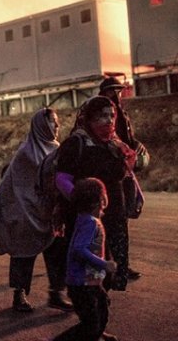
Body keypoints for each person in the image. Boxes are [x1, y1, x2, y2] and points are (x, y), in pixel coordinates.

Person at [0, 108, 73, 312]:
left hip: (49, 214)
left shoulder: (57, 150)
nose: (57, 126)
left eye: (57, 122)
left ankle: (56, 293)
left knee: (56, 251)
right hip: (26, 213)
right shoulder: (26, 153)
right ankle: (20, 294)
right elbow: (15, 186)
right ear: (41, 125)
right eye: (52, 122)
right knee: (23, 254)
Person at [56, 96, 135, 291]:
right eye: (102, 116)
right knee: (91, 276)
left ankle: (99, 310)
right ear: (89, 118)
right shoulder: (76, 144)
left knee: (110, 273)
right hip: (89, 221)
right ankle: (93, 316)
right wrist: (82, 201)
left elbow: (125, 175)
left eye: (111, 115)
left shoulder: (115, 145)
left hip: (115, 216)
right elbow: (62, 178)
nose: (109, 120)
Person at [51, 178, 118, 341]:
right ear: (100, 201)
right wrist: (104, 264)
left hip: (90, 281)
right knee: (90, 323)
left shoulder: (85, 219)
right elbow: (79, 249)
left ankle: (98, 333)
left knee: (102, 307)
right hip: (82, 283)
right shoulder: (90, 223)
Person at [98, 76, 148, 280]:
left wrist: (136, 146)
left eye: (118, 90)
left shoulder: (120, 113)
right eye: (113, 90)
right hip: (107, 174)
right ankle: (113, 265)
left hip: (123, 172)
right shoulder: (100, 114)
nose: (117, 94)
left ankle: (120, 264)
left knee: (121, 220)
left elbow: (127, 139)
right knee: (109, 220)